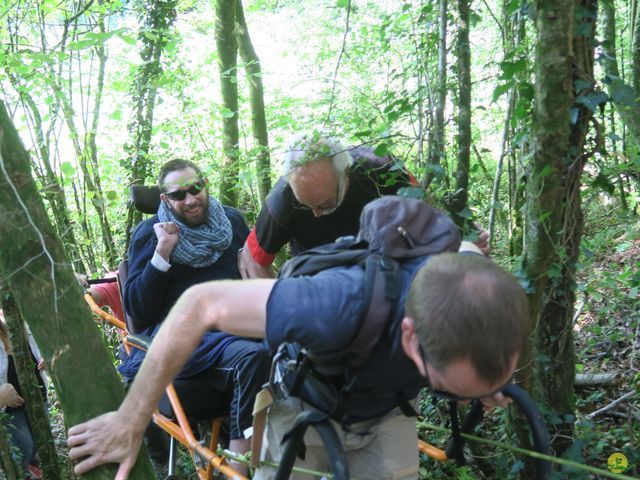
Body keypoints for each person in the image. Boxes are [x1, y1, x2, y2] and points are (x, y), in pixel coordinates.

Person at [67, 241, 529, 480]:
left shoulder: (475, 284)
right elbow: (199, 304)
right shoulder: (334, 305)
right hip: (304, 408)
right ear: (410, 335)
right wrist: (130, 419)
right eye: (445, 380)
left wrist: (482, 382)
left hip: (385, 406)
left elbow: (468, 249)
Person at [117, 158, 270, 476]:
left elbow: (253, 279)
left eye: (195, 188)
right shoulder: (149, 234)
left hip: (236, 329)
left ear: (206, 184)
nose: (189, 199)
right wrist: (163, 253)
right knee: (252, 358)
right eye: (178, 195)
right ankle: (239, 469)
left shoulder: (232, 221)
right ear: (165, 199)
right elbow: (137, 310)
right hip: (182, 339)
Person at [238, 132, 417, 278]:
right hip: (319, 280)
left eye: (325, 203)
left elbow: (423, 209)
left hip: (382, 265)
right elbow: (252, 259)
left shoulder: (381, 169)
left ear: (346, 175)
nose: (316, 214)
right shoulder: (281, 200)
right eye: (305, 205)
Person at [0, 312, 46, 479]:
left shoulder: (25, 324)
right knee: (24, 446)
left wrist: (46, 357)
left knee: (37, 443)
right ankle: (24, 471)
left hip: (38, 397)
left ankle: (30, 466)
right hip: (11, 407)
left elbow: (41, 349)